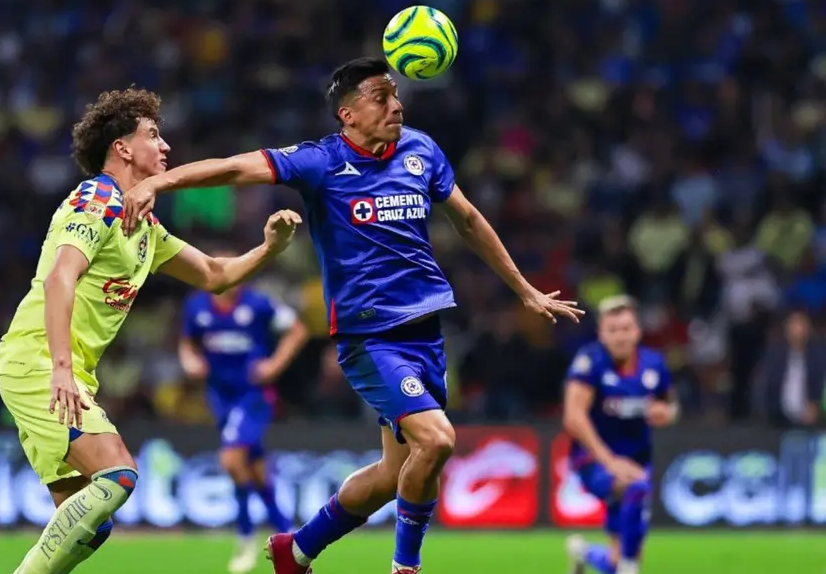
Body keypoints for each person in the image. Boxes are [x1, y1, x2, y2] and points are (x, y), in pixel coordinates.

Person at [120, 57, 583, 574]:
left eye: (396, 95)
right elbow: (233, 167)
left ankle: (295, 551)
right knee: (438, 439)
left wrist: (524, 289)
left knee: (391, 475)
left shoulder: (421, 151)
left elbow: (470, 221)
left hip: (426, 332)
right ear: (348, 113)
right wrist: (159, 184)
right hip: (371, 338)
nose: (396, 105)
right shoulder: (320, 161)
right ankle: (406, 567)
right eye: (381, 97)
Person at [0, 88, 301, 574]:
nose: (165, 146)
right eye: (153, 135)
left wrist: (269, 248)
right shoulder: (98, 199)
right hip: (41, 363)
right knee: (118, 475)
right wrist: (61, 369)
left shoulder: (145, 226)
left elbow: (215, 275)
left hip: (61, 371)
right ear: (122, 148)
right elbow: (59, 278)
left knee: (88, 524)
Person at [179, 271, 307, 573]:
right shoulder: (197, 306)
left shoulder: (259, 304)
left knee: (231, 459)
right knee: (256, 470)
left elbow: (298, 330)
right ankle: (290, 536)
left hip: (253, 395)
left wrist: (274, 365)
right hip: (220, 397)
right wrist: (190, 361)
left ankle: (245, 537)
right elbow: (187, 343)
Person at [563, 295, 679, 574]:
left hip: (638, 459)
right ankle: (629, 569)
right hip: (594, 460)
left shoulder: (653, 364)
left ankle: (584, 552)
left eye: (626, 329)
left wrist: (667, 413)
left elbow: (671, 406)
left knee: (617, 559)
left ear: (637, 331)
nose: (620, 336)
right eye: (613, 330)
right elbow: (573, 417)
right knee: (635, 487)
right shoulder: (590, 362)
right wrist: (610, 461)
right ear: (601, 333)